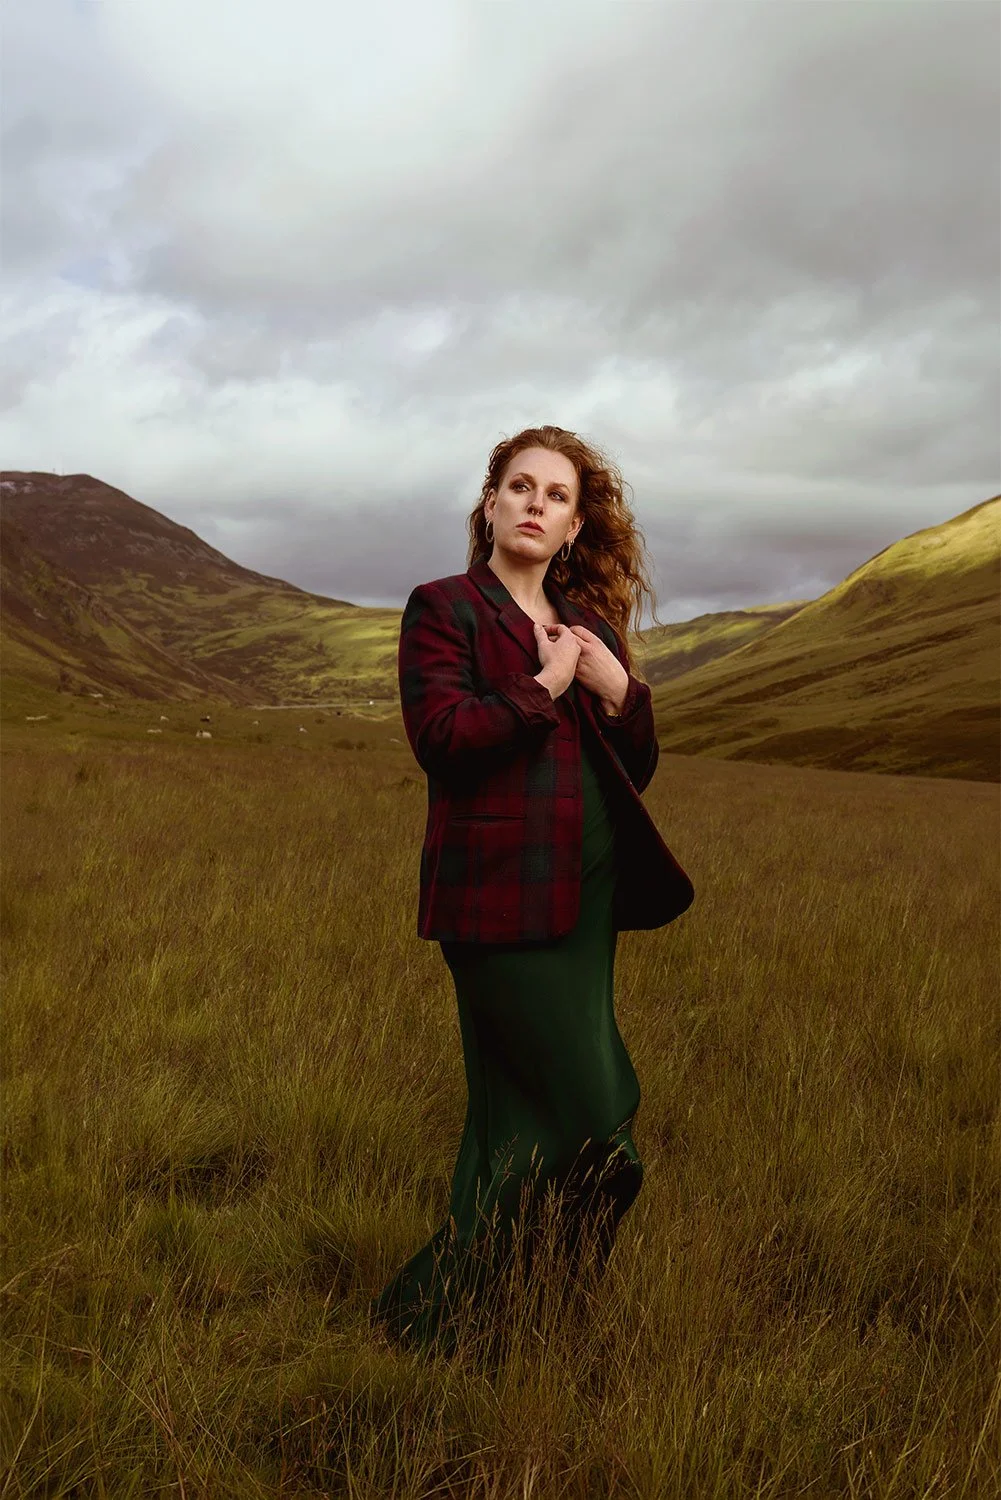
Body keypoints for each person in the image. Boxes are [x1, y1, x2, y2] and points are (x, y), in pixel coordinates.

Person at [369, 424, 694, 1361]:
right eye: (519, 487)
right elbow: (440, 737)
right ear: (489, 505)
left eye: (554, 496)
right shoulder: (444, 607)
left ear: (572, 526)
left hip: (583, 903)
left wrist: (617, 690)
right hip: (494, 903)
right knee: (591, 1120)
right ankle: (433, 1311)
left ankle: (517, 1313)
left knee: (522, 1128)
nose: (533, 505)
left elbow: (632, 766)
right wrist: (546, 685)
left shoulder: (587, 624)